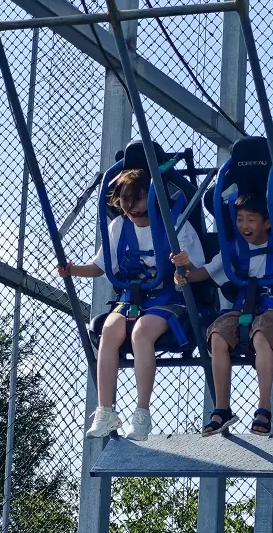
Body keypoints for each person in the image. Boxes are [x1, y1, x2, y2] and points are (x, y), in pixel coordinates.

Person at [59, 167, 205, 440]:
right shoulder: (118, 227)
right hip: (132, 299)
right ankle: (106, 410)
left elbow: (199, 268)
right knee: (110, 331)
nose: (131, 207)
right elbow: (100, 266)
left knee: (140, 333)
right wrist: (73, 269)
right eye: (126, 200)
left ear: (152, 198)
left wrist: (185, 266)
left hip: (167, 298)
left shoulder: (176, 224)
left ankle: (142, 412)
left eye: (138, 199)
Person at [172, 192, 273, 436]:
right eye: (240, 219)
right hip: (242, 307)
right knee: (217, 335)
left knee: (260, 336)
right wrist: (184, 271)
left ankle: (264, 408)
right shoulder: (233, 249)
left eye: (251, 220)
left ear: (267, 222)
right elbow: (204, 272)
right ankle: (222, 408)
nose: (244, 226)